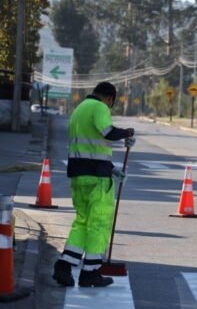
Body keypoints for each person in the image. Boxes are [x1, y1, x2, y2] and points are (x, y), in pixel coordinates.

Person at [52, 82, 136, 288]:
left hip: (79, 176)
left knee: (82, 221)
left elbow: (89, 147)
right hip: (97, 179)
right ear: (109, 98)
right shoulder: (100, 108)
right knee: (99, 223)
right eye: (111, 103)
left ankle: (64, 265)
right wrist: (127, 133)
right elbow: (107, 132)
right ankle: (90, 272)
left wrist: (112, 169)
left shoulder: (79, 110)